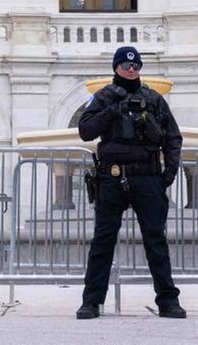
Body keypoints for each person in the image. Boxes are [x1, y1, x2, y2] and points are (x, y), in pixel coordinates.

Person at [75, 45, 186, 320]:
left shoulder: (154, 98)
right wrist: (112, 111)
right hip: (112, 177)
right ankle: (91, 302)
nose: (131, 69)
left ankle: (168, 301)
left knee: (156, 241)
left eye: (136, 65)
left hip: (148, 178)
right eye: (126, 65)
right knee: (103, 241)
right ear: (116, 67)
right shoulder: (103, 97)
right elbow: (85, 131)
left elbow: (173, 138)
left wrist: (169, 174)